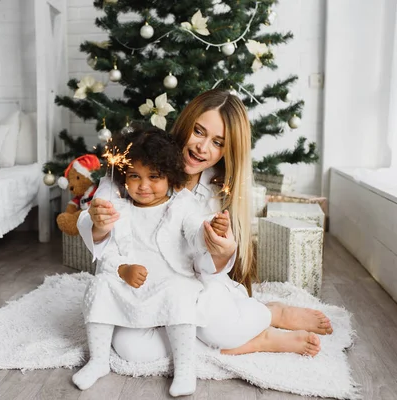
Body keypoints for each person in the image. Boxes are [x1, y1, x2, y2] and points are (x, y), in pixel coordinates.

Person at [77, 89, 332, 363]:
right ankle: (252, 340)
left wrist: (221, 252)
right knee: (132, 349)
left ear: (227, 151)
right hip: (142, 284)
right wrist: (98, 222)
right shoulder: (140, 160)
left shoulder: (215, 189)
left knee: (218, 330)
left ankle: (272, 315)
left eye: (218, 142)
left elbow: (205, 265)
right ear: (186, 124)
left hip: (192, 282)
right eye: (198, 132)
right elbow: (95, 218)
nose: (202, 147)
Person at [73, 126, 228, 397]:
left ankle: (184, 368)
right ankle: (98, 361)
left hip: (169, 280)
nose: (143, 186)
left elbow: (194, 234)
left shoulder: (181, 206)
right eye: (135, 176)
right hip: (132, 282)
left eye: (154, 177)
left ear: (170, 176)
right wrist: (123, 269)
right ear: (125, 177)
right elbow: (109, 252)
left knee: (179, 294)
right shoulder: (120, 210)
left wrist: (211, 230)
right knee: (100, 286)